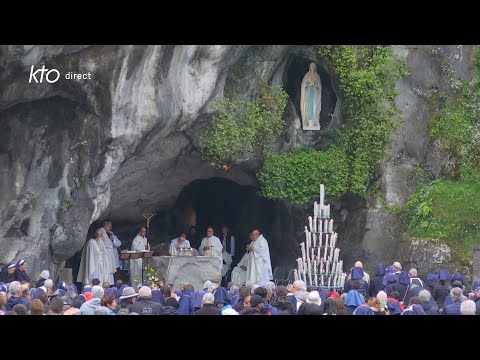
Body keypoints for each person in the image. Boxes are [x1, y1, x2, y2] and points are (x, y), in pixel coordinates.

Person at [300, 62, 322, 129]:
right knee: (308, 108)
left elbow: (320, 86)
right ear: (309, 67)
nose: (312, 67)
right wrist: (308, 85)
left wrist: (316, 85)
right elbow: (303, 85)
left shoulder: (317, 76)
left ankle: (314, 122)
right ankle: (308, 123)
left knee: (315, 108)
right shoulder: (306, 75)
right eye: (311, 66)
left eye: (313, 66)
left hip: (315, 94)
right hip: (308, 94)